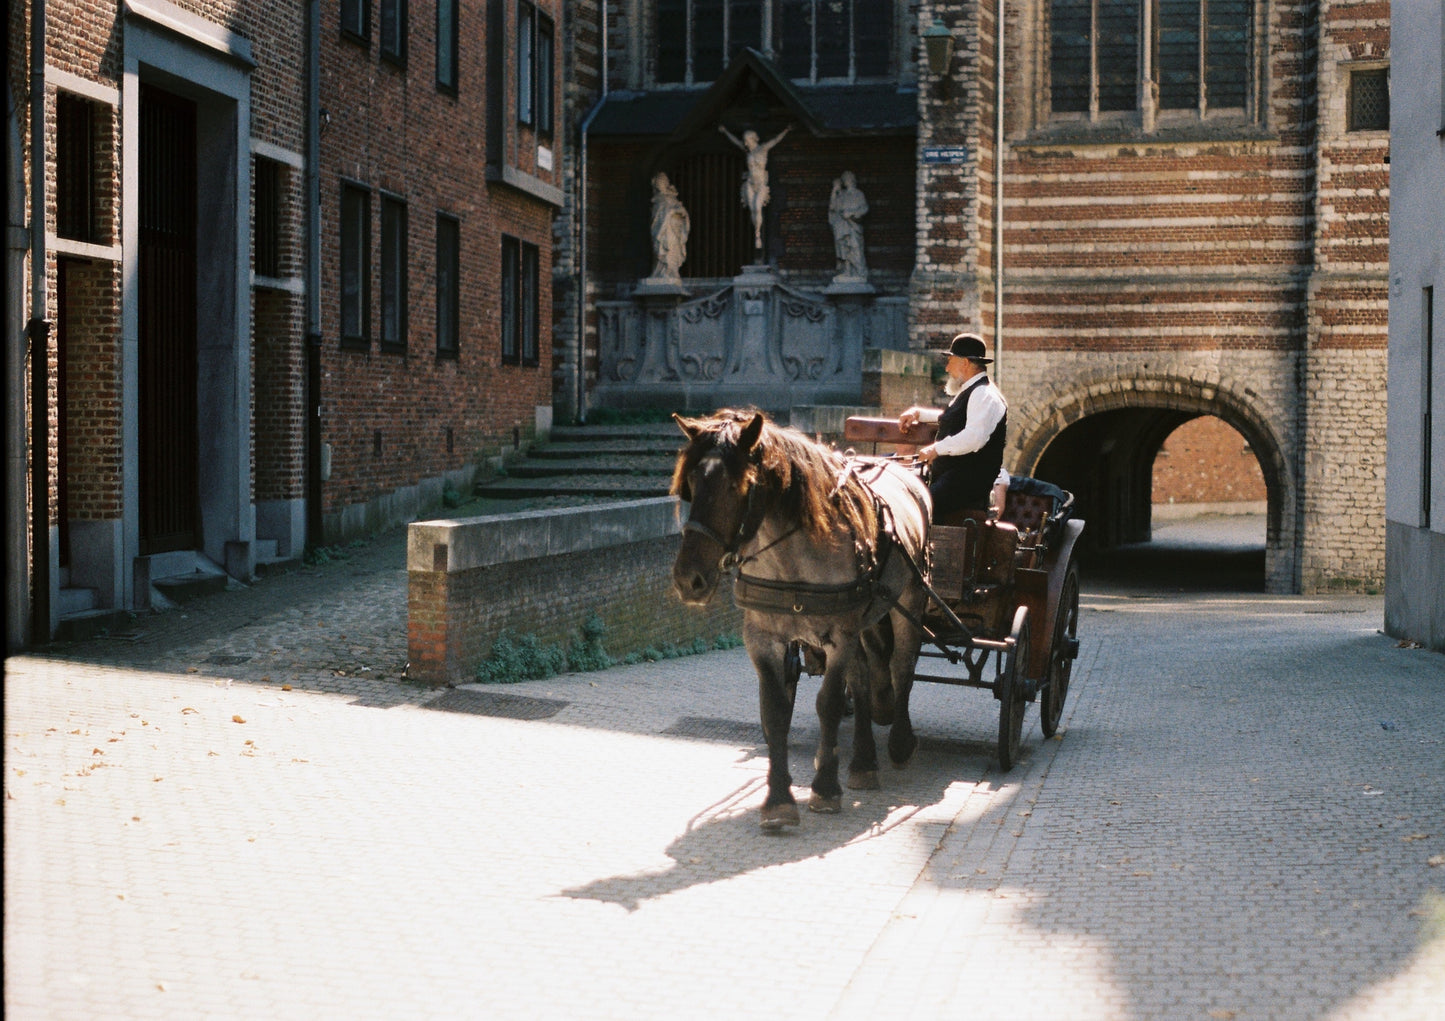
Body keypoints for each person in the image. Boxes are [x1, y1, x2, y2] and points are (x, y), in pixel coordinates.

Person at [898, 332, 1009, 520]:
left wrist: (936, 449)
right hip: (952, 476)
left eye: (951, 361)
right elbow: (954, 420)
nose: (947, 368)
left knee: (917, 508)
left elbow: (974, 438)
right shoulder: (972, 391)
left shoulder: (984, 394)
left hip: (966, 482)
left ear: (965, 363)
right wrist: (919, 414)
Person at [718, 123, 792, 251]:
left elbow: (775, 140)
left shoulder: (763, 149)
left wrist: (786, 130)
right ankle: (756, 233)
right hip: (750, 183)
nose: (746, 144)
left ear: (753, 139)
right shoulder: (747, 151)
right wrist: (725, 132)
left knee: (757, 208)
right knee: (753, 210)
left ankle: (758, 234)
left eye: (747, 141)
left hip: (761, 184)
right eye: (745, 142)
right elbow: (735, 142)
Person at [648, 172, 690, 281]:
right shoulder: (657, 199)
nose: (661, 184)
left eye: (663, 181)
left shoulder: (672, 198)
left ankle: (671, 272)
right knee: (661, 251)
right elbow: (657, 217)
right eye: (659, 182)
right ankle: (660, 273)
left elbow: (682, 212)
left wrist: (682, 213)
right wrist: (671, 212)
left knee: (672, 251)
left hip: (673, 230)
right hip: (662, 230)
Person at [828, 171, 869, 279]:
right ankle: (847, 272)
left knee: (855, 249)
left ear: (852, 180)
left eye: (847, 178)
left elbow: (864, 209)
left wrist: (852, 214)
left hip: (853, 225)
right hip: (843, 226)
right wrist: (835, 190)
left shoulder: (859, 194)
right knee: (844, 250)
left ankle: (860, 273)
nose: (845, 181)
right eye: (844, 179)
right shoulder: (842, 195)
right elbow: (833, 208)